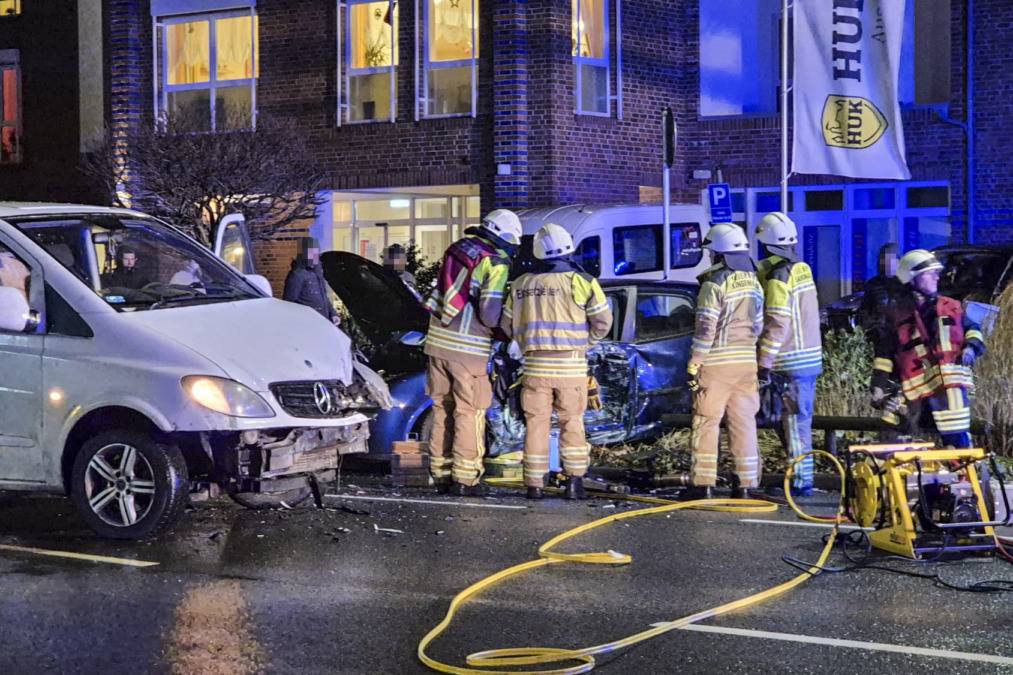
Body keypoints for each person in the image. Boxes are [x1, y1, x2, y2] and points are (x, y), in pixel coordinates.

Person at [501, 223, 612, 500]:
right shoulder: (582, 281)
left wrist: (527, 343)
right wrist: (587, 343)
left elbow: (506, 325)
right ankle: (574, 482)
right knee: (572, 423)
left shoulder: (521, 284)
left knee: (536, 424)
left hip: (535, 369)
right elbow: (603, 322)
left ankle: (534, 484)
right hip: (571, 368)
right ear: (568, 250)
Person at [423, 209, 522, 496]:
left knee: (443, 410)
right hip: (468, 351)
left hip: (437, 344)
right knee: (470, 412)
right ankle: (466, 480)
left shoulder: (458, 250)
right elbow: (490, 315)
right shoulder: (495, 263)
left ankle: (441, 475)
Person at [872, 249, 985, 447]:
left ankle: (964, 474)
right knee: (893, 432)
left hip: (948, 389)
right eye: (929, 273)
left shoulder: (950, 307)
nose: (936, 277)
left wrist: (971, 348)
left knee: (957, 441)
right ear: (912, 279)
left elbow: (973, 330)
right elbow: (884, 353)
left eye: (936, 273)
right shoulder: (896, 316)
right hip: (915, 392)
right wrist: (878, 387)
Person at [685, 223, 764, 500]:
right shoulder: (754, 281)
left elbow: (706, 326)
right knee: (743, 422)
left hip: (717, 364)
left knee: (706, 421)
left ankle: (703, 484)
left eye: (710, 252)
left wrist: (695, 362)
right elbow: (758, 325)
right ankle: (745, 485)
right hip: (746, 364)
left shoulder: (714, 282)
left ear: (718, 253)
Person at [755, 212, 823, 496]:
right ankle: (801, 478)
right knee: (796, 423)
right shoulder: (801, 267)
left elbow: (777, 322)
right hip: (807, 358)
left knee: (795, 425)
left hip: (790, 360)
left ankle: (800, 483)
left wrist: (764, 362)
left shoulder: (778, 277)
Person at [283, 237, 340, 325]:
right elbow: (289, 303)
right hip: (308, 324)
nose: (315, 255)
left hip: (322, 321)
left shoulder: (317, 272)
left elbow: (323, 297)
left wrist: (333, 313)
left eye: (316, 252)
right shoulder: (297, 275)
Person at [859, 242, 905, 335]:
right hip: (879, 335)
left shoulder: (905, 283)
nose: (887, 263)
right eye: (884, 260)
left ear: (898, 261)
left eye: (890, 259)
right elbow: (865, 310)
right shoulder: (873, 284)